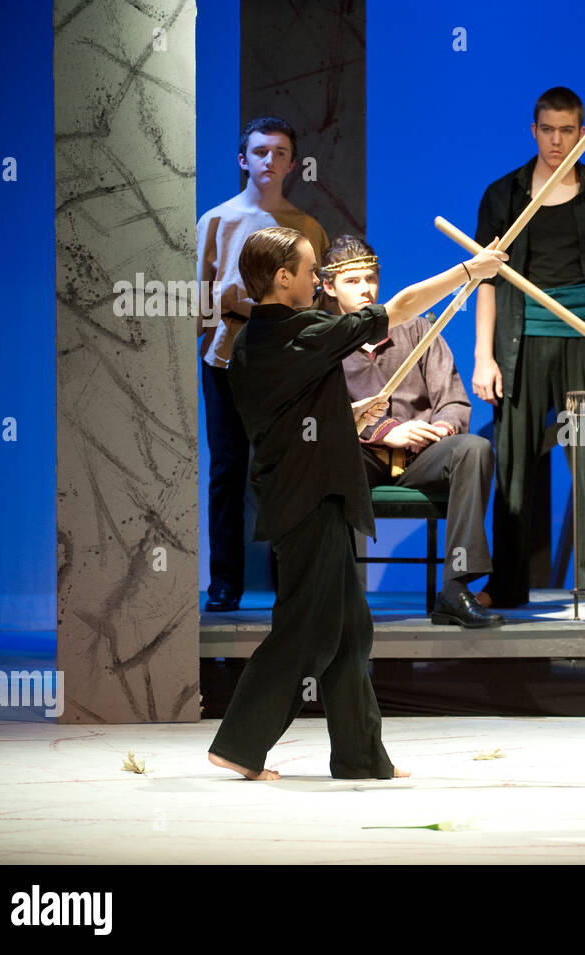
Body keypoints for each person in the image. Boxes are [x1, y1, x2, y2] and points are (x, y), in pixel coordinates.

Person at [207, 226, 506, 780]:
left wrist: (351, 416)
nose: (315, 276)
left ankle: (360, 755)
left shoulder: (261, 337)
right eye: (308, 269)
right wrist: (470, 271)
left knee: (350, 629)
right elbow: (402, 306)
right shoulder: (299, 331)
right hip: (308, 492)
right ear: (284, 278)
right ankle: (241, 743)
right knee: (309, 627)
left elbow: (286, 419)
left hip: (310, 486)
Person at [472, 86, 585, 609]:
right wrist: (483, 356)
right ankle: (507, 584)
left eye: (568, 131)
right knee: (515, 465)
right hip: (519, 346)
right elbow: (486, 281)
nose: (557, 141)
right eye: (547, 130)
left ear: (583, 132)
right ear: (533, 130)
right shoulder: (505, 195)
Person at [320, 236, 503, 629]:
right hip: (360, 459)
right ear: (329, 287)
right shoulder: (325, 341)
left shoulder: (419, 329)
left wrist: (442, 428)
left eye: (370, 278)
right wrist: (385, 431)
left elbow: (454, 401)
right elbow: (324, 417)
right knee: (322, 456)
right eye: (352, 281)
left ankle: (455, 587)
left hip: (422, 457)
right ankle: (332, 592)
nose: (365, 288)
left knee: (474, 448)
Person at [197, 117, 330, 613]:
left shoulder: (307, 227)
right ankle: (224, 584)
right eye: (260, 152)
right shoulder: (215, 221)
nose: (269, 161)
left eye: (279, 153)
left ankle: (288, 582)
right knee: (227, 468)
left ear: (293, 163)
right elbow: (202, 298)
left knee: (283, 470)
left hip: (282, 364)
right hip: (225, 359)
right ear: (242, 159)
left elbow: (310, 304)